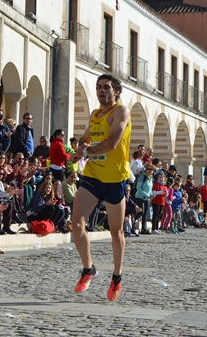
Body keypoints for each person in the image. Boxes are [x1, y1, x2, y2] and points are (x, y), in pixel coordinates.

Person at [67, 74, 131, 302]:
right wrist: (81, 147)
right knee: (76, 224)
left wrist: (85, 152)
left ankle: (117, 276)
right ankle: (88, 269)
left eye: (106, 87)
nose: (101, 91)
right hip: (93, 176)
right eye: (98, 87)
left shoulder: (121, 112)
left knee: (116, 232)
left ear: (116, 92)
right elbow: (85, 139)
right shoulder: (95, 115)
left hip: (115, 179)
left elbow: (113, 142)